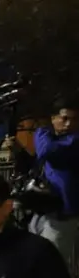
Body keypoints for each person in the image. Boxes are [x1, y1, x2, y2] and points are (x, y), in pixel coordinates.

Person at [29, 96, 79, 260]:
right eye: (64, 119)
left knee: (53, 264)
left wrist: (42, 133)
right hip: (41, 211)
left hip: (62, 215)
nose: (68, 124)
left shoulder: (74, 141)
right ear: (54, 119)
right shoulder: (52, 138)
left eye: (73, 119)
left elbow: (46, 150)